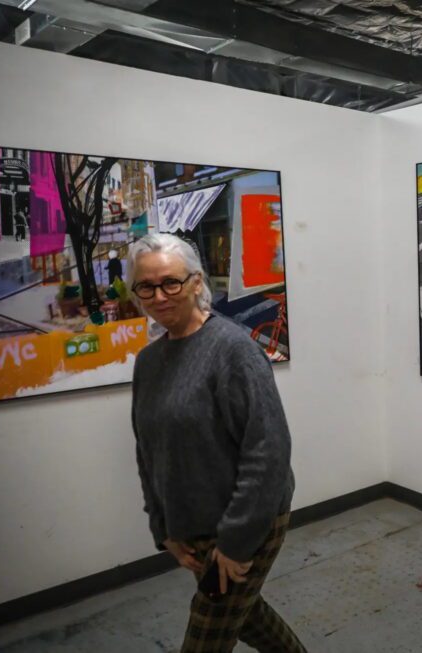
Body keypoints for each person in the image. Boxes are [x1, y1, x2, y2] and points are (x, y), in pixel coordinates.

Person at [128, 233, 306, 653]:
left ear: (196, 282)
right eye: (146, 286)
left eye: (171, 282)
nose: (160, 295)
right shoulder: (149, 361)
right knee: (246, 616)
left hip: (248, 520)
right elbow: (148, 451)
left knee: (207, 634)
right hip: (192, 528)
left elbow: (269, 450)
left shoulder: (232, 350)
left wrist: (236, 542)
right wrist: (163, 527)